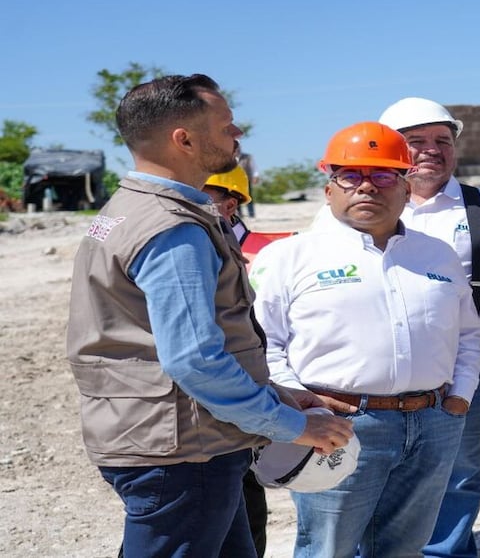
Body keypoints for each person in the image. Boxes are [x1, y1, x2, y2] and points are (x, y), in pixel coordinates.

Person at [66, 74, 355, 558]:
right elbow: (194, 360)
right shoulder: (171, 228)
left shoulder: (129, 209)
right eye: (226, 125)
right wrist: (288, 424)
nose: (237, 133)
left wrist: (276, 392)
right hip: (181, 449)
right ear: (185, 139)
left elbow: (145, 338)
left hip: (170, 436)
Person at [249, 121, 480, 558]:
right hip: (338, 426)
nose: (367, 188)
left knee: (404, 549)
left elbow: (469, 335)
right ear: (328, 189)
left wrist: (461, 398)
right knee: (327, 550)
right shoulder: (290, 256)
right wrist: (304, 405)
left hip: (434, 422)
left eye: (382, 176)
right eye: (350, 177)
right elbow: (267, 344)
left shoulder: (437, 255)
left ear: (405, 187)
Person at [375, 97, 480, 558]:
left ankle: (445, 552)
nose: (432, 150)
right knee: (383, 465)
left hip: (475, 361)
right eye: (416, 142)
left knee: (462, 467)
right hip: (385, 366)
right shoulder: (359, 208)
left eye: (441, 141)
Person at [200, 164, 270, 558]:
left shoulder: (268, 251)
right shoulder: (176, 243)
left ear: (231, 204)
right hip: (200, 408)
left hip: (252, 396)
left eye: (203, 193)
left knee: (247, 508)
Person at [238, 150, 258, 218]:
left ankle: (251, 213)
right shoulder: (230, 157)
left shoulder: (247, 157)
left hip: (246, 179)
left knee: (248, 196)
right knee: (235, 196)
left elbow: (253, 167)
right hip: (233, 180)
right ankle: (239, 214)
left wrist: (255, 176)